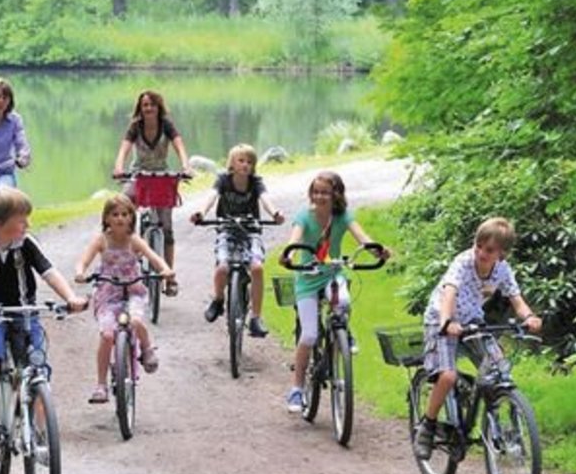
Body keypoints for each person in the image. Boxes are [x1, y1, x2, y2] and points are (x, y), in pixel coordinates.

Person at [0, 188, 87, 441]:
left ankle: (40, 434)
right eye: (21, 220)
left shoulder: (25, 243)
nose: (27, 224)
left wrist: (70, 298)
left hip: (23, 313)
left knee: (37, 366)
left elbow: (48, 272)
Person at [412, 216, 542, 460]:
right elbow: (449, 291)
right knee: (447, 375)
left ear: (502, 254)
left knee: (499, 370)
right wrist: (447, 322)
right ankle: (427, 426)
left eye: (489, 249)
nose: (481, 252)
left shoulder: (502, 270)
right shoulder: (463, 262)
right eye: (478, 245)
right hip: (440, 319)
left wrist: (530, 317)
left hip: (472, 321)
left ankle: (508, 428)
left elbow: (516, 299)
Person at [282, 171, 389, 413]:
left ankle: (343, 333)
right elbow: (294, 238)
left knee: (344, 300)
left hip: (332, 272)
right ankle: (297, 388)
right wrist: (288, 254)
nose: (320, 197)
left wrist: (377, 251)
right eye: (316, 192)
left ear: (336, 195)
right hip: (308, 277)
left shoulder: (343, 217)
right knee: (309, 335)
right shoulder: (304, 216)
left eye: (325, 193)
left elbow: (362, 237)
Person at [74, 195, 175, 404]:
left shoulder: (134, 240)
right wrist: (80, 272)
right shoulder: (101, 239)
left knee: (136, 321)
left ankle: (146, 349)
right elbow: (83, 261)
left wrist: (165, 270)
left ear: (132, 218)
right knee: (107, 335)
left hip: (133, 292)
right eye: (115, 214)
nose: (120, 218)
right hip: (107, 295)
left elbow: (154, 258)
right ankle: (101, 385)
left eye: (125, 214)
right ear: (107, 219)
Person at [189, 144, 285, 338]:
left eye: (249, 162)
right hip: (227, 230)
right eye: (241, 161)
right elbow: (212, 196)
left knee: (257, 268)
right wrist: (201, 212)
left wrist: (275, 213)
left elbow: (265, 199)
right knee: (222, 267)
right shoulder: (223, 180)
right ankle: (218, 300)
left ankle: (256, 318)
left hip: (251, 232)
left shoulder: (256, 183)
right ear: (231, 164)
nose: (245, 165)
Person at [112, 90, 190, 294]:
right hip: (139, 175)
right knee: (122, 205)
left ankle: (170, 277)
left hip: (162, 177)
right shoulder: (135, 126)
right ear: (140, 108)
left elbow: (179, 145)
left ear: (159, 108)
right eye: (145, 105)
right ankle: (125, 250)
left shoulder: (166, 125)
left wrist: (185, 166)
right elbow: (124, 149)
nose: (148, 108)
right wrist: (119, 167)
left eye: (152, 105)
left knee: (167, 228)